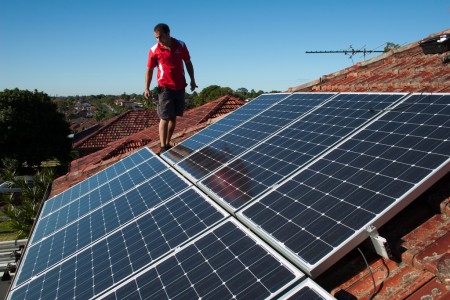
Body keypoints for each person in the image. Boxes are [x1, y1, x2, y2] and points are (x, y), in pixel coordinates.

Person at [144, 23, 197, 154]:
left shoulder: (181, 44)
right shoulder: (154, 50)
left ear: (168, 33)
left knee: (173, 116)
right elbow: (149, 70)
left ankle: (167, 142)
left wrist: (192, 80)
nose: (158, 40)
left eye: (160, 37)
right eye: (156, 37)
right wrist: (147, 87)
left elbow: (188, 62)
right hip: (165, 87)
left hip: (179, 86)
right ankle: (163, 146)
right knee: (164, 117)